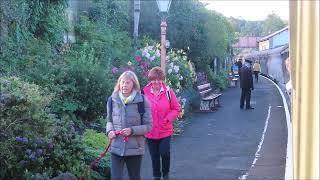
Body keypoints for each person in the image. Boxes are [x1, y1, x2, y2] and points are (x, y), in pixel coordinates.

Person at [106, 70, 152, 180]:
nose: (124, 85)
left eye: (128, 83)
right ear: (119, 83)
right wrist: (109, 131)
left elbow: (148, 126)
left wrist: (132, 131)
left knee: (134, 177)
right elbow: (109, 121)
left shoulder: (142, 101)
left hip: (135, 149)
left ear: (134, 85)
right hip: (116, 147)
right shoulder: (112, 100)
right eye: (122, 82)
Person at [143, 67, 181, 180]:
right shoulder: (144, 92)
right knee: (154, 156)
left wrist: (168, 118)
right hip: (150, 131)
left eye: (159, 79)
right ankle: (156, 177)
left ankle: (166, 175)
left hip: (165, 130)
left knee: (164, 153)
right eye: (154, 79)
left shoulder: (168, 92)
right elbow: (140, 109)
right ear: (150, 79)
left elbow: (176, 108)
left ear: (162, 80)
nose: (156, 82)